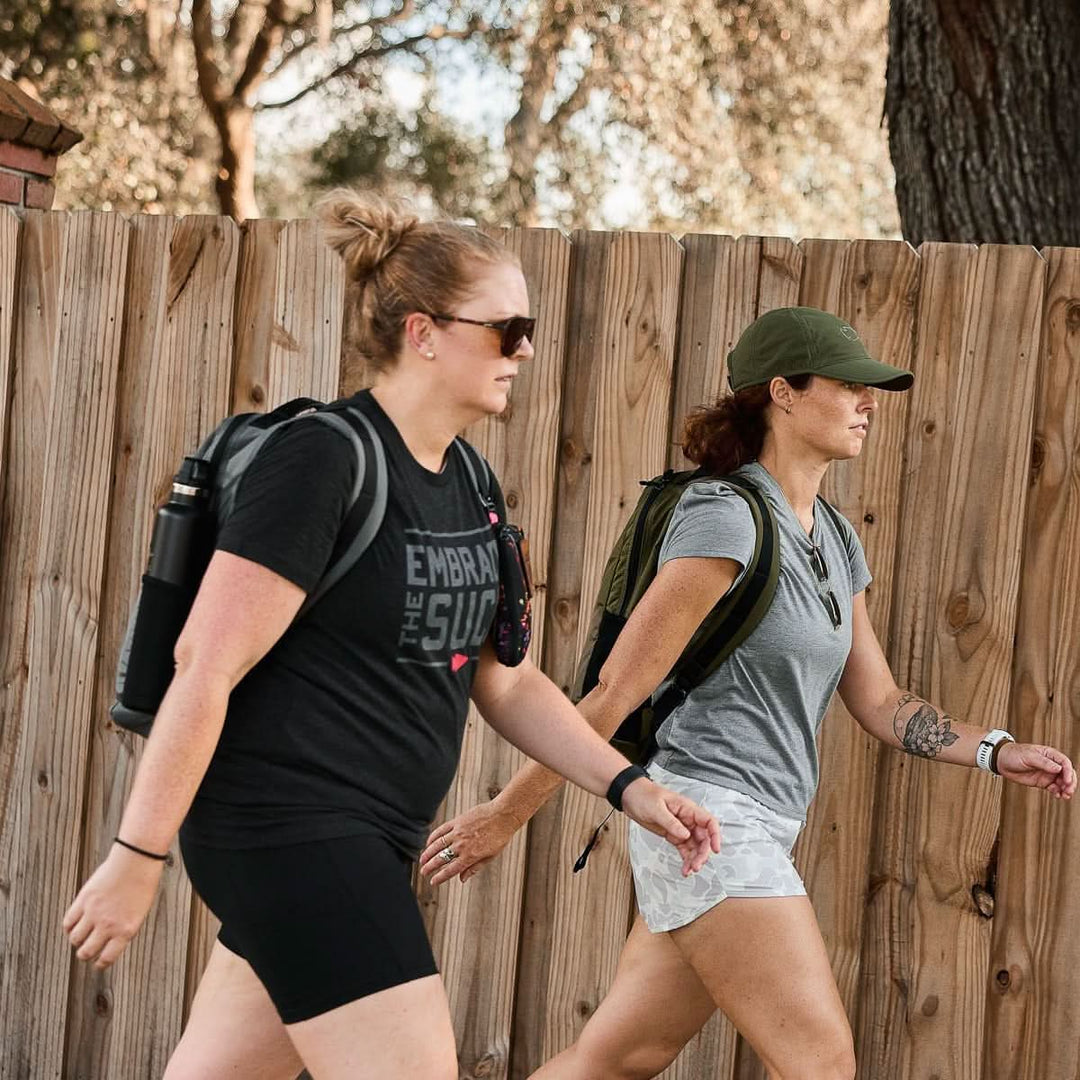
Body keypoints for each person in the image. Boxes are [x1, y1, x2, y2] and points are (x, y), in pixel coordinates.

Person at [61, 192, 721, 1080]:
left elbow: (510, 683)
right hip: (287, 828)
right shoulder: (324, 459)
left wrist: (629, 787)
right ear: (424, 332)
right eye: (505, 328)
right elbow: (204, 667)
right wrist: (136, 858)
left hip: (370, 836)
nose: (525, 348)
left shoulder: (471, 482)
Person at [422, 306, 1077, 1080]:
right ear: (784, 395)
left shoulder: (833, 536)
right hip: (709, 818)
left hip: (758, 821)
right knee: (822, 1065)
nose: (870, 402)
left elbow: (881, 702)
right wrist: (505, 815)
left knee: (619, 1056)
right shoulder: (726, 518)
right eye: (848, 385)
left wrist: (997, 752)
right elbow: (612, 694)